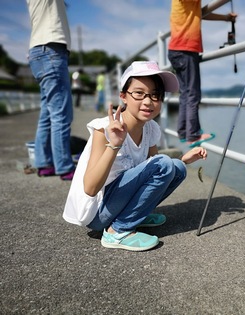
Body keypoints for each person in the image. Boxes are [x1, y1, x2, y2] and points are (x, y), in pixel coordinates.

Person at [63, 61, 207, 252]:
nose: (148, 101)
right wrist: (114, 144)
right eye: (139, 93)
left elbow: (157, 171)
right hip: (97, 213)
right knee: (165, 163)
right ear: (123, 96)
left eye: (155, 95)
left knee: (176, 168)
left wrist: (184, 161)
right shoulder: (104, 128)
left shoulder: (150, 128)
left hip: (117, 202)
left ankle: (136, 214)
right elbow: (90, 188)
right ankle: (118, 231)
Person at [168, 0, 237, 148]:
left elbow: (202, 13)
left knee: (185, 94)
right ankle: (192, 135)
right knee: (193, 94)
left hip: (177, 50)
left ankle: (184, 132)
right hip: (185, 50)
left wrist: (225, 18)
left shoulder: (189, 4)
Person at [26, 0, 75, 181]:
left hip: (40, 53)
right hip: (51, 51)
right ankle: (64, 166)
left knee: (47, 113)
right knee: (61, 114)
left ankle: (44, 163)